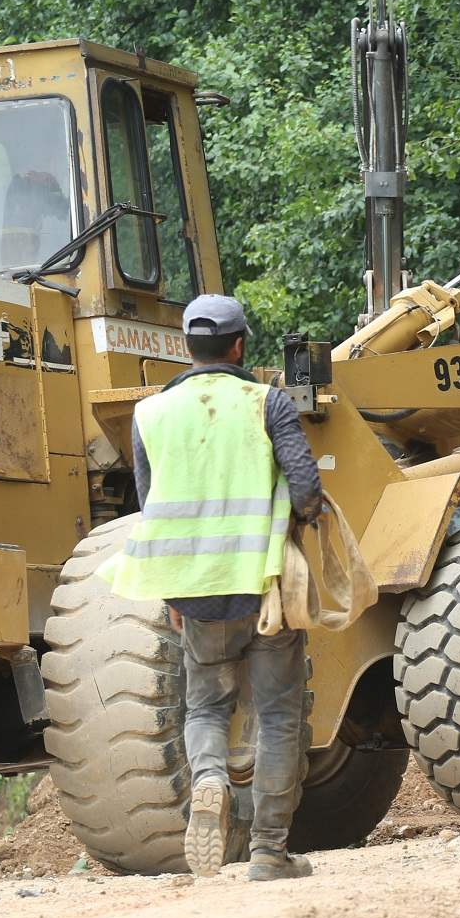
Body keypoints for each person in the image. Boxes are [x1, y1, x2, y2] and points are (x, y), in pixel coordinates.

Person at [103, 294, 325, 881]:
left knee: (205, 706)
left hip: (196, 596)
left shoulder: (150, 414)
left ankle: (208, 782)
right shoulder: (266, 402)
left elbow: (152, 511)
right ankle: (269, 855)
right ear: (239, 345)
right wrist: (304, 522)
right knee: (278, 718)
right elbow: (305, 489)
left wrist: (174, 596)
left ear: (186, 346)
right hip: (263, 592)